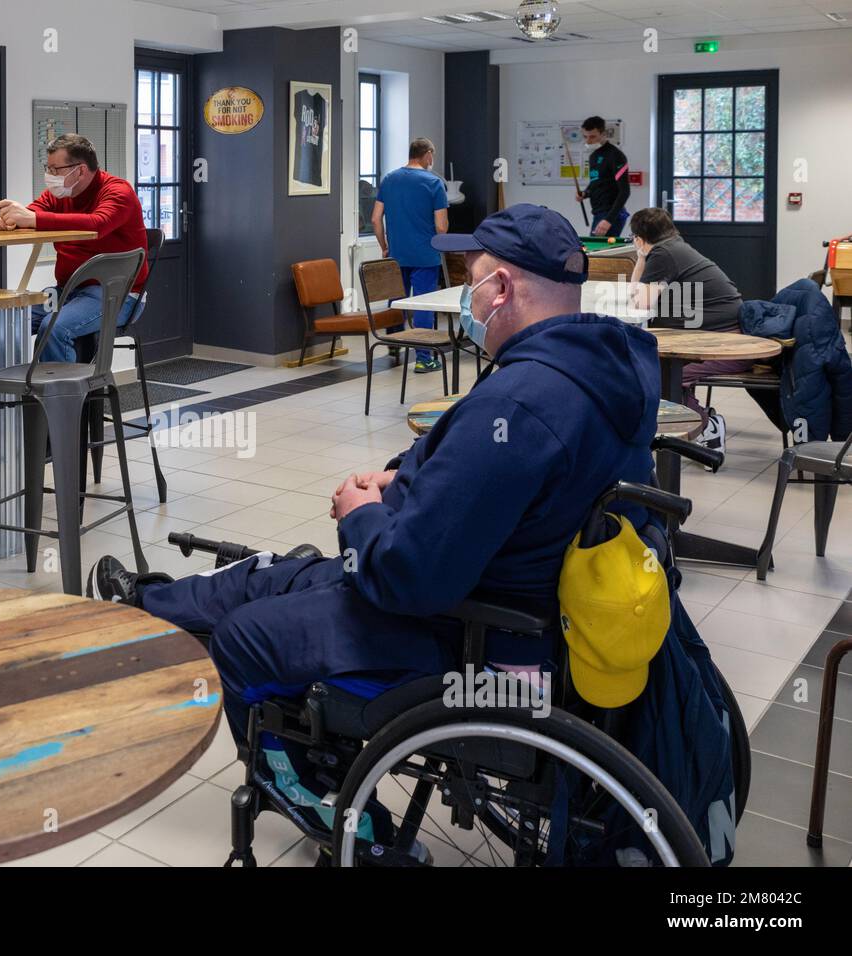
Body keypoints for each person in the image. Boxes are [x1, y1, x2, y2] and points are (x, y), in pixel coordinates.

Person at [87, 205, 662, 830]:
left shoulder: (521, 401)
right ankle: (142, 612)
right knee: (279, 573)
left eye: (473, 277)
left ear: (500, 289)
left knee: (247, 637)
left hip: (472, 637)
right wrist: (406, 477)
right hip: (518, 600)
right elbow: (488, 477)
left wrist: (359, 513)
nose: (469, 293)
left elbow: (405, 577)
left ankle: (320, 804)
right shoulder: (599, 369)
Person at [0, 134, 148, 364]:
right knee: (9, 321)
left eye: (55, 169)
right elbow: (32, 213)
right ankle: (13, 391)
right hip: (67, 292)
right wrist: (7, 220)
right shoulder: (60, 195)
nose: (49, 176)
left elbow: (97, 224)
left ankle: (59, 399)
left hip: (117, 294)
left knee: (54, 328)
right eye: (48, 168)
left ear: (80, 171)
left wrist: (31, 218)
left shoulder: (118, 192)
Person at [628, 206, 744, 452]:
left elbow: (640, 301)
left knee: (665, 376)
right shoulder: (674, 245)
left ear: (639, 238)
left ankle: (707, 427)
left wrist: (641, 256)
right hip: (722, 335)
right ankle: (699, 423)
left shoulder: (663, 254)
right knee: (661, 369)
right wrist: (641, 256)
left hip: (728, 344)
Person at [371, 137, 449, 372]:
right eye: (432, 156)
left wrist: (384, 246)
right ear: (427, 154)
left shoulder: (389, 179)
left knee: (397, 299)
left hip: (397, 254)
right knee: (423, 304)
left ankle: (393, 342)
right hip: (425, 254)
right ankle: (424, 358)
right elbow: (441, 226)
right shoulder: (434, 183)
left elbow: (375, 219)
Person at [576, 116, 630, 238]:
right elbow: (596, 182)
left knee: (596, 255)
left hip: (611, 215)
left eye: (592, 136)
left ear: (603, 133)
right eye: (585, 137)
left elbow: (625, 191)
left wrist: (609, 220)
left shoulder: (615, 155)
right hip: (599, 212)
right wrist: (585, 193)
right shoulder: (593, 156)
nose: (588, 141)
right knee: (594, 254)